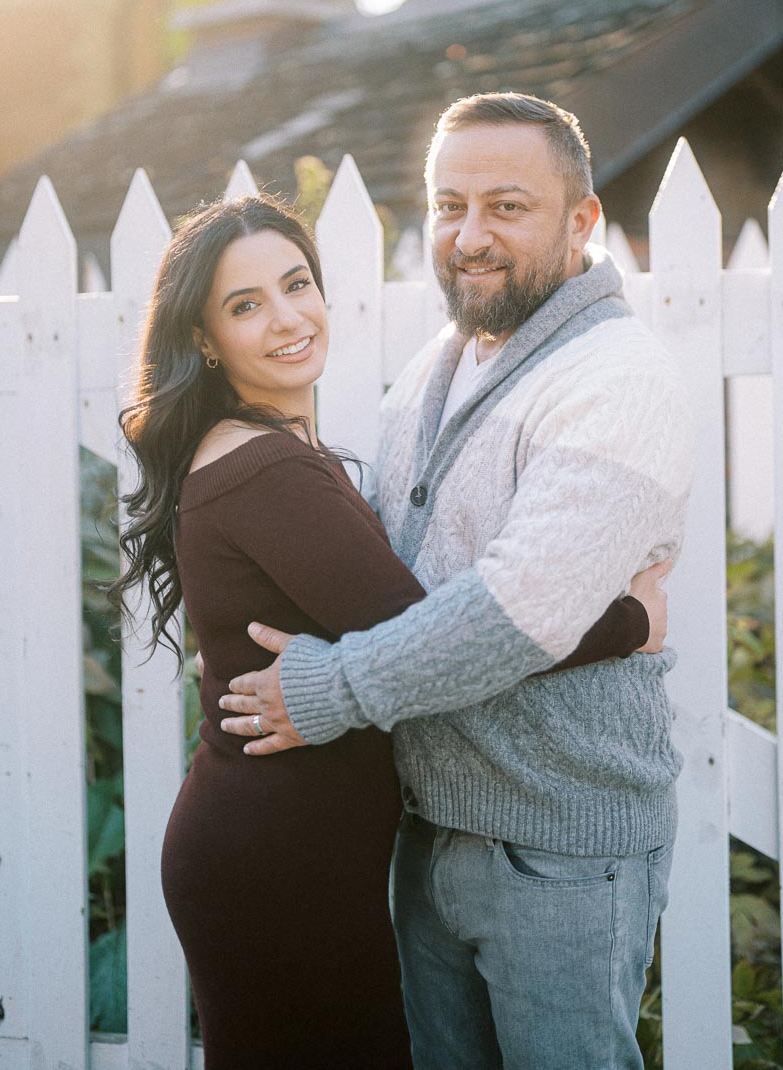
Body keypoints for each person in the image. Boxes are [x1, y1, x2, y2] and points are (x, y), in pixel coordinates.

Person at [110, 189, 671, 1070]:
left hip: (286, 846)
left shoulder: (266, 448)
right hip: (280, 862)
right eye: (246, 305)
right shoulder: (264, 469)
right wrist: (628, 622)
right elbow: (432, 639)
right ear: (203, 340)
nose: (288, 318)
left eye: (298, 285)